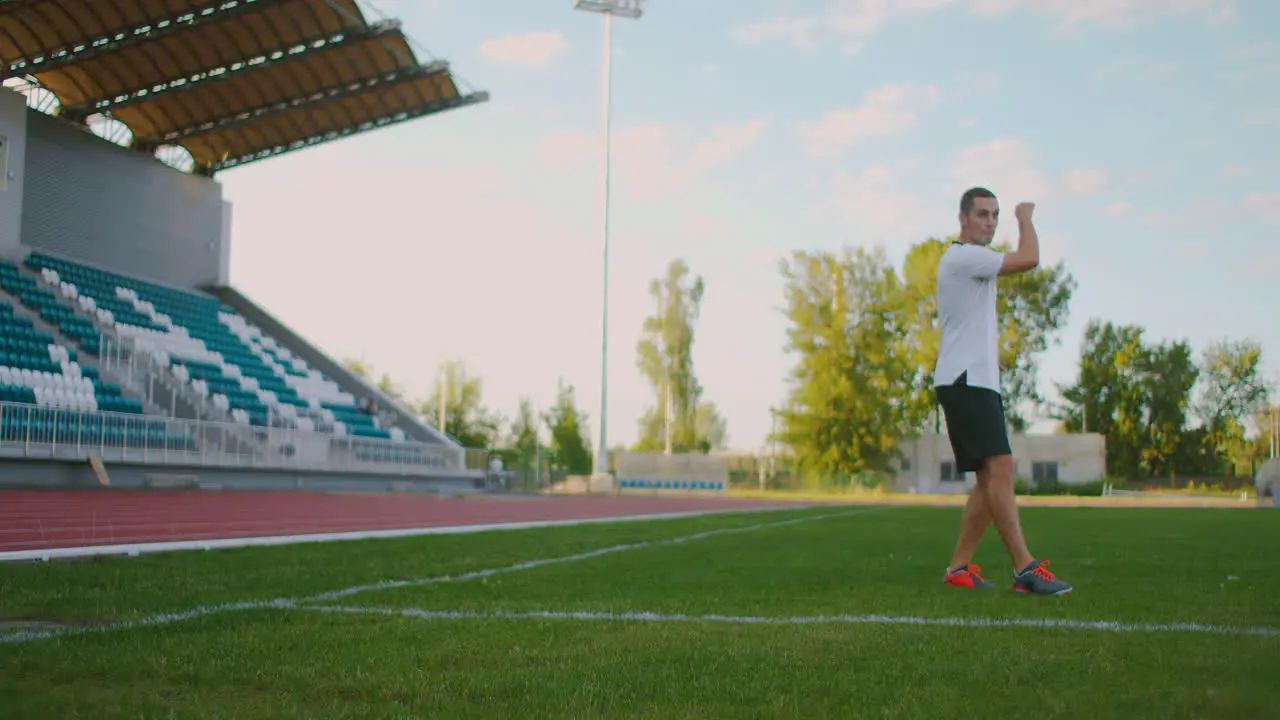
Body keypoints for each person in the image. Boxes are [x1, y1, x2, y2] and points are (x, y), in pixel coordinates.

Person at [934, 187, 1073, 596]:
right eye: (982, 215)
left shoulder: (972, 264)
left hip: (977, 380)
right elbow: (1029, 258)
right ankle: (1024, 568)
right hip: (964, 381)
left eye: (995, 215)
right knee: (1001, 468)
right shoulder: (964, 256)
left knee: (989, 477)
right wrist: (1024, 218)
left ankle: (959, 568)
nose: (990, 222)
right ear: (963, 219)